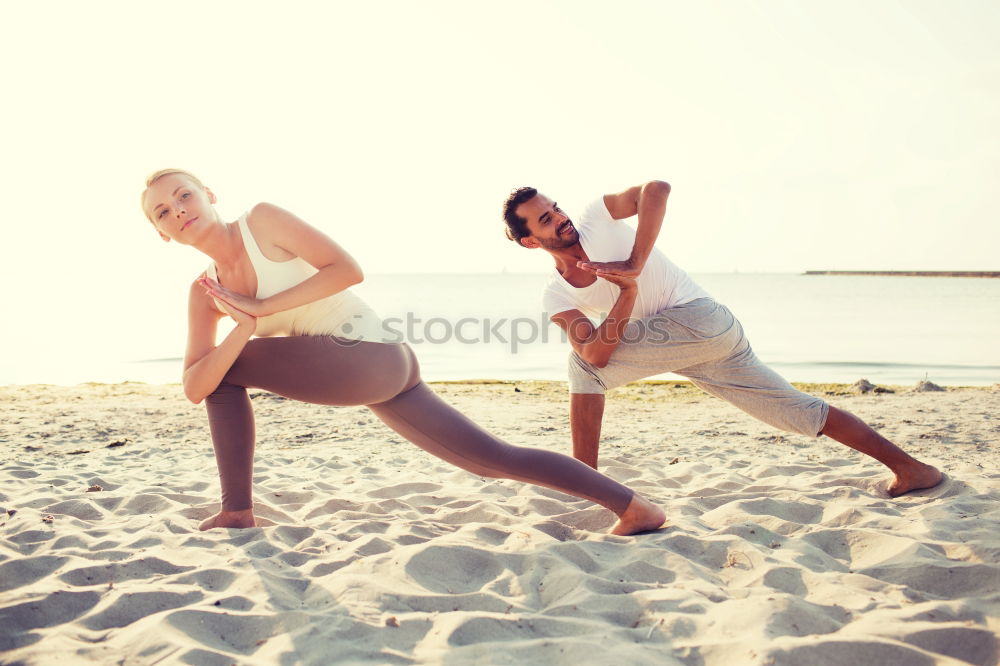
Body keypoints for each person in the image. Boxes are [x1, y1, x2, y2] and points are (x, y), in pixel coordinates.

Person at [140, 169, 665, 535]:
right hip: (380, 370)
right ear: (160, 233)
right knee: (491, 460)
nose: (178, 210)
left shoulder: (261, 221)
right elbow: (193, 386)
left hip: (365, 353)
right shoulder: (203, 293)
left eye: (184, 195)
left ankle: (237, 510)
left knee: (226, 374)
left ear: (207, 193)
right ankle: (633, 506)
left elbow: (347, 270)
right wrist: (244, 325)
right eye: (163, 211)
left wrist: (259, 305)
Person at [500, 182, 942, 496]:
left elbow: (656, 189)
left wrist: (635, 262)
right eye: (545, 218)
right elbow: (597, 352)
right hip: (695, 346)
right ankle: (912, 469)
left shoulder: (598, 217)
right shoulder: (556, 294)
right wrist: (627, 293)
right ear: (529, 242)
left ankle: (585, 484)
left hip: (701, 320)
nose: (559, 217)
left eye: (555, 207)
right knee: (799, 412)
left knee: (580, 367)